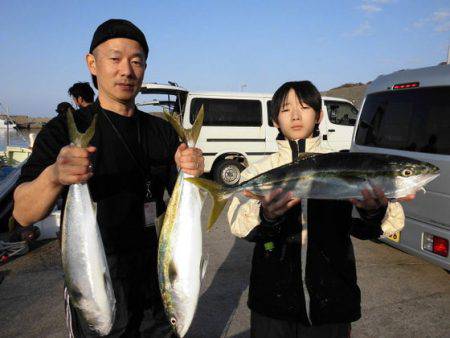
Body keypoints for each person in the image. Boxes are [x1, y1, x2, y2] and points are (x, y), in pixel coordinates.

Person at [13, 19, 204, 337]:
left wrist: (193, 170)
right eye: (115, 59)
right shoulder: (63, 129)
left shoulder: (162, 131)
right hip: (91, 267)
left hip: (154, 272)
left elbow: (187, 205)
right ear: (92, 63)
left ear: (144, 68)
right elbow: (22, 212)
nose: (126, 70)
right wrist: (55, 176)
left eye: (136, 61)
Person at [227, 81, 414, 338]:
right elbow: (239, 225)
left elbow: (374, 228)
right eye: (285, 109)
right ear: (274, 120)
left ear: (319, 116)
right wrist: (265, 215)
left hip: (332, 302)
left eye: (304, 107)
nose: (295, 115)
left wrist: (373, 212)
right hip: (272, 304)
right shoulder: (259, 171)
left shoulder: (343, 164)